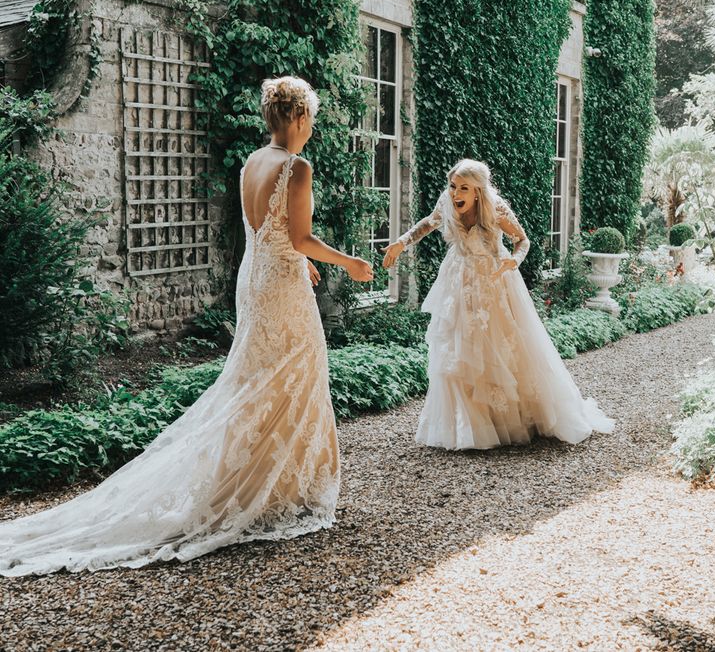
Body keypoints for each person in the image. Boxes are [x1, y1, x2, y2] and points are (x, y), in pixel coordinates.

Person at [0, 76, 373, 576]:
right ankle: (274, 489)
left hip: (257, 281)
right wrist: (347, 261)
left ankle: (265, 484)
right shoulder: (296, 167)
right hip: (280, 288)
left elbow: (268, 232)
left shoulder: (252, 162)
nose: (312, 128)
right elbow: (302, 236)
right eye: (312, 119)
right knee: (294, 374)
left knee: (258, 377)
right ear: (300, 118)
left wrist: (297, 258)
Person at [383, 158, 614, 450]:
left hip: (493, 280)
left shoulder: (496, 208)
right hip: (458, 280)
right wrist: (401, 242)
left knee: (499, 348)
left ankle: (506, 419)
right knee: (455, 350)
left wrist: (512, 261)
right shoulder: (448, 203)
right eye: (453, 186)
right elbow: (428, 223)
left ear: (477, 191)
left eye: (463, 188)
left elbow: (523, 240)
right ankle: (467, 426)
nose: (455, 194)